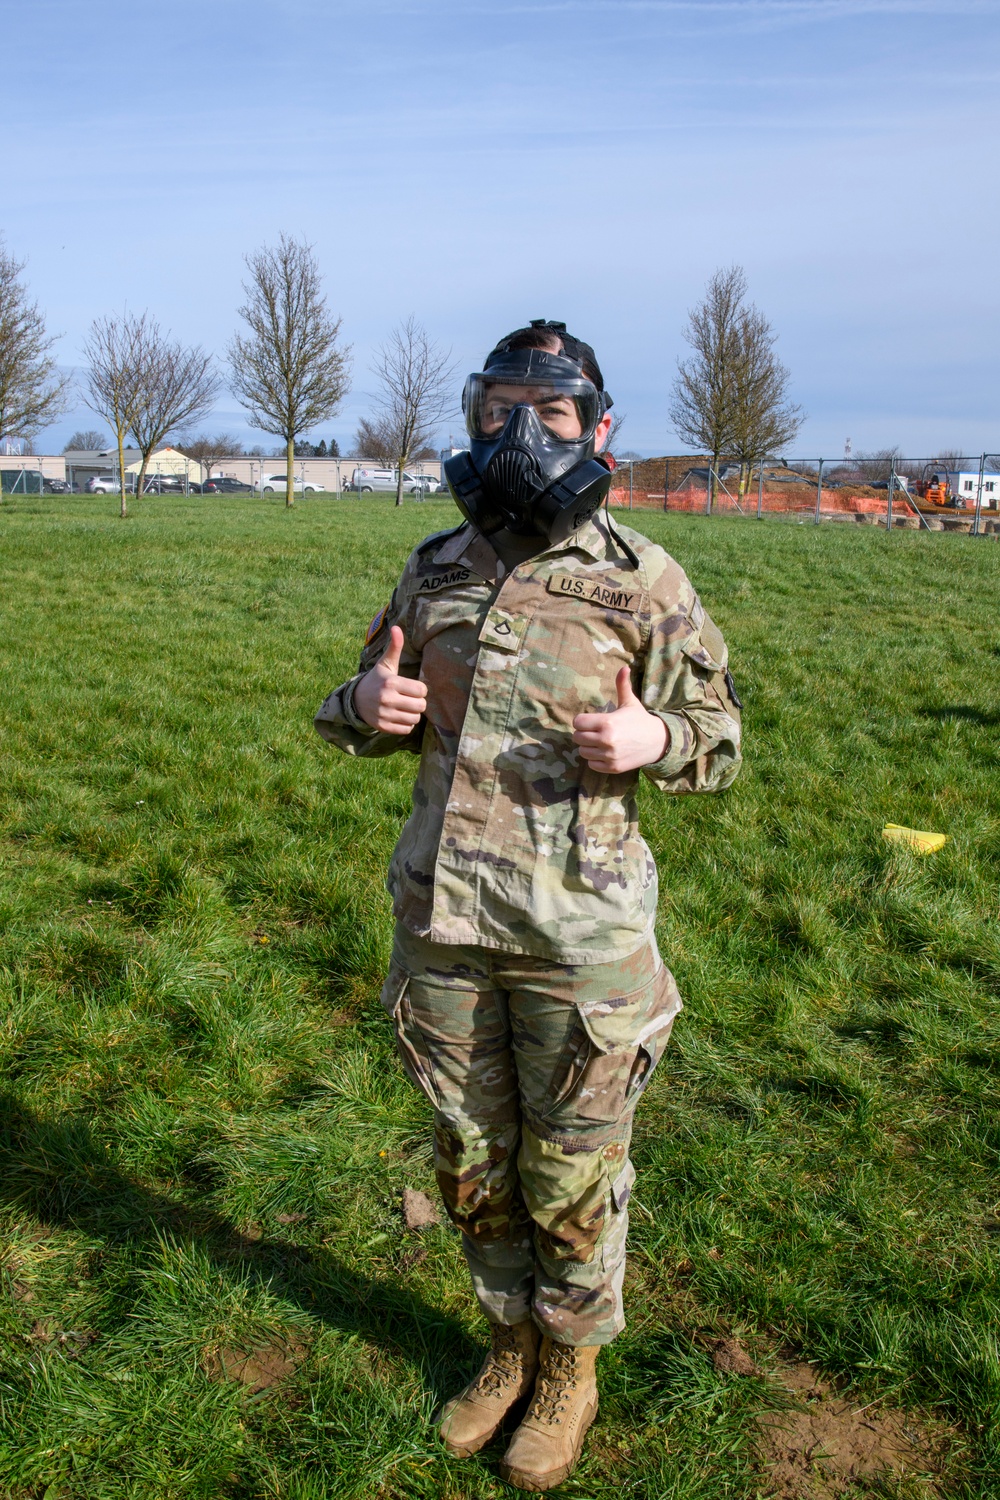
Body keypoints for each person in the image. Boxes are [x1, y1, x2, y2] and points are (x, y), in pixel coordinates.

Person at [314, 320, 742, 1491]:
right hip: (442, 930)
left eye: (548, 412)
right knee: (470, 1162)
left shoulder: (643, 579)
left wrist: (656, 735)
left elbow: (720, 741)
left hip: (579, 939)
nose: (520, 432)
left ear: (596, 428)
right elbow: (360, 697)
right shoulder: (435, 563)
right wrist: (363, 702)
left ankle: (569, 1374)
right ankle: (506, 1350)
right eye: (499, 407)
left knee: (572, 1173)